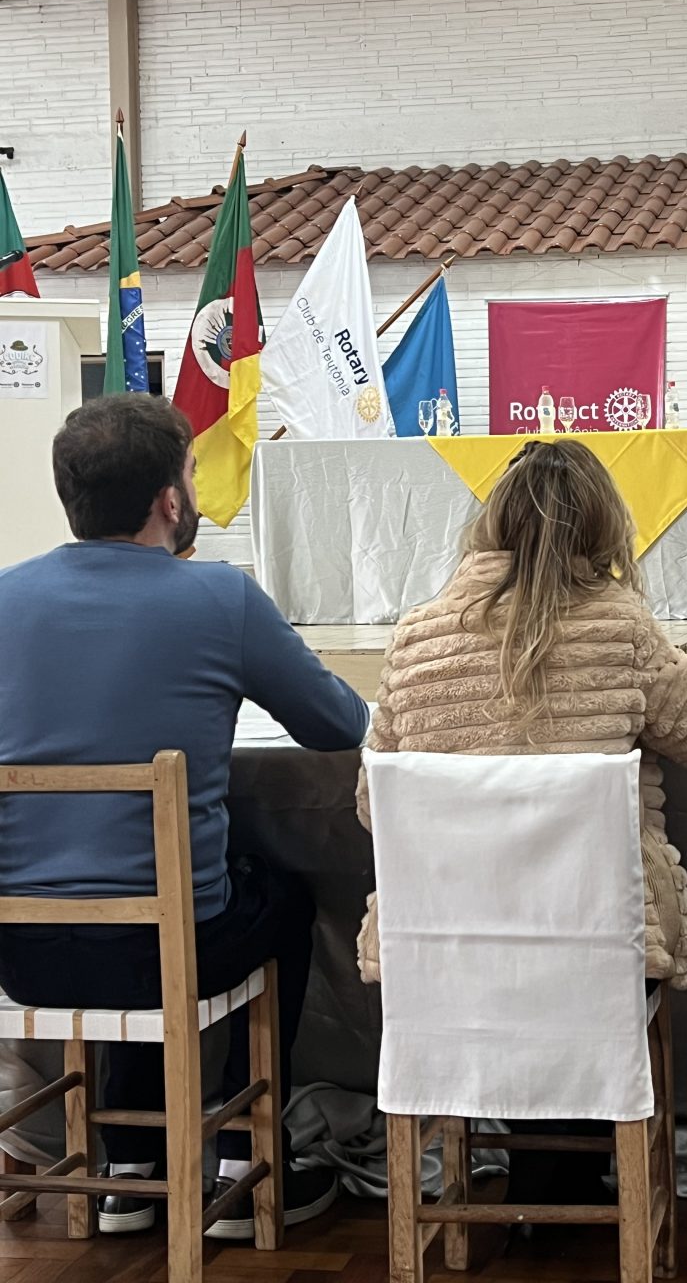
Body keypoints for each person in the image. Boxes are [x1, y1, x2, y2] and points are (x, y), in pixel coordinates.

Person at [0, 394, 370, 1241]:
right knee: (273, 900)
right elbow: (339, 725)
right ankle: (246, 1158)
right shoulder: (220, 598)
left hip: (21, 953)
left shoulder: (4, 597)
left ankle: (130, 1168)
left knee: (139, 905)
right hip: (165, 954)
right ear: (171, 499)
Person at [354, 438, 687, 1201]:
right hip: (595, 948)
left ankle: (522, 1186)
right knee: (586, 945)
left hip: (450, 951)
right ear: (603, 527)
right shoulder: (622, 627)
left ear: (491, 523)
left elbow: (374, 806)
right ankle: (576, 1182)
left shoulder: (417, 638)